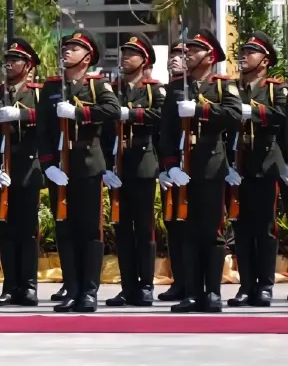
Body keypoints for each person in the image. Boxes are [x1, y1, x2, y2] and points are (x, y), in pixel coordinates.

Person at [37, 29, 120, 313]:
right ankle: (72, 289)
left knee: (89, 230)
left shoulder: (97, 87)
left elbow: (113, 111)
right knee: (65, 229)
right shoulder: (51, 87)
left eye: (73, 48)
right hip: (60, 166)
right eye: (65, 48)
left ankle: (89, 291)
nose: (66, 52)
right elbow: (43, 130)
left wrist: (80, 113)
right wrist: (47, 164)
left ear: (87, 57)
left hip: (87, 162)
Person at [160, 28, 242, 313]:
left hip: (210, 164)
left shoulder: (222, 86)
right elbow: (166, 134)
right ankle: (193, 293)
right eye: (187, 50)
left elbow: (234, 117)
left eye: (195, 50)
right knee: (189, 232)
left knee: (212, 231)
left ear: (210, 57)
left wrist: (201, 110)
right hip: (184, 167)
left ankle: (213, 292)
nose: (188, 54)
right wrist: (170, 167)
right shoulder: (175, 90)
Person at [105, 33, 164, 308]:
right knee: (122, 228)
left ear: (145, 60)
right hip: (118, 164)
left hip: (142, 163)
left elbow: (162, 115)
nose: (125, 57)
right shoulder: (111, 89)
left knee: (143, 228)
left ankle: (146, 285)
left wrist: (132, 114)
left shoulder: (153, 90)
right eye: (124, 52)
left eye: (132, 53)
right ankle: (128, 286)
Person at [228, 31, 286, 307]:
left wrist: (257, 111)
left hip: (265, 164)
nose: (244, 56)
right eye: (243, 51)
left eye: (251, 52)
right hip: (237, 166)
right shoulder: (230, 88)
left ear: (265, 61)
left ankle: (264, 285)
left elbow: (284, 115)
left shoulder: (275, 89)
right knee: (241, 228)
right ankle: (245, 285)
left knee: (264, 229)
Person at [0, 38, 42, 307]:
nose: (9, 64)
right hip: (1, 168)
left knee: (28, 230)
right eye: (7, 60)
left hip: (27, 167)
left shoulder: (37, 93)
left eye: (16, 60)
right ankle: (10, 286)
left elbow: (48, 118)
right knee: (5, 230)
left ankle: (29, 285)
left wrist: (23, 115)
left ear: (28, 65)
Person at [156, 40, 187, 302]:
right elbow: (163, 133)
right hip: (174, 167)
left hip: (199, 166)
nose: (175, 59)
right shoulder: (170, 90)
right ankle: (180, 281)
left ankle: (197, 283)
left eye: (182, 55)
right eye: (174, 54)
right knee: (174, 226)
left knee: (198, 228)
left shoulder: (210, 88)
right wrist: (164, 168)